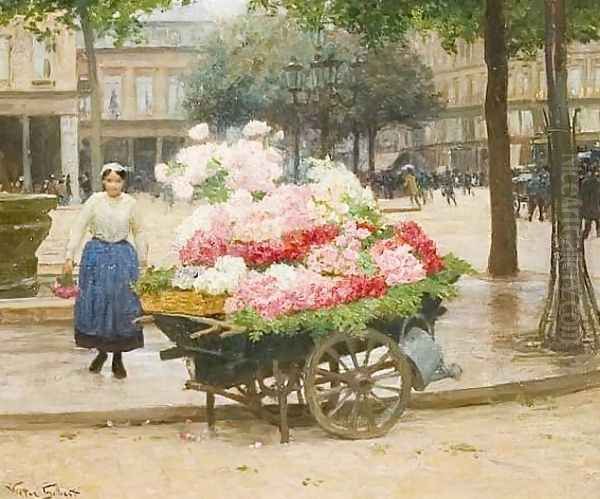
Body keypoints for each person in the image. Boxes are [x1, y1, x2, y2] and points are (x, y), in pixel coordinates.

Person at [63, 163, 148, 379]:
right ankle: (101, 352)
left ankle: (118, 358)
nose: (113, 185)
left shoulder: (131, 204)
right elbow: (79, 227)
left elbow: (139, 232)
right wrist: (69, 256)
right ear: (103, 181)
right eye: (109, 180)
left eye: (117, 181)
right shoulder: (94, 201)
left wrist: (142, 260)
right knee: (99, 304)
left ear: (123, 182)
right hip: (96, 256)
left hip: (122, 257)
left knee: (120, 305)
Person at [581, 169, 600, 239]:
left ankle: (585, 235)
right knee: (597, 220)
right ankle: (598, 233)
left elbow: (582, 195)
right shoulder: (597, 182)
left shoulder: (585, 182)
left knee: (588, 222)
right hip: (595, 205)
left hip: (588, 206)